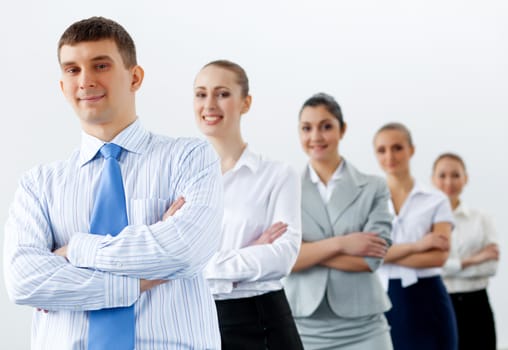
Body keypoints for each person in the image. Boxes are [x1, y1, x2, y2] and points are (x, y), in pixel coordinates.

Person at [3, 17, 223, 350]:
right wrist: (141, 280)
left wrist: (74, 251)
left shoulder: (189, 158)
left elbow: (186, 250)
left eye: (100, 65)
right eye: (72, 70)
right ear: (62, 85)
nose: (86, 81)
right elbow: (25, 281)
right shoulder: (38, 185)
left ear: (135, 77)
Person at [193, 60, 304, 349]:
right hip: (195, 318)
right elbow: (166, 259)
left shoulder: (278, 175)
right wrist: (249, 254)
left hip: (261, 320)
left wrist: (201, 264)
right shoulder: (181, 181)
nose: (209, 104)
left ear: (246, 102)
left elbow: (283, 256)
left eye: (222, 93)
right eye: (201, 94)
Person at [283, 93, 393, 350]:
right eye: (306, 128)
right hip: (303, 325)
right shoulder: (286, 189)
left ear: (342, 129)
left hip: (365, 326)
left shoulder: (373, 187)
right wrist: (344, 243)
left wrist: (306, 251)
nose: (316, 137)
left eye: (326, 126)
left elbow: (371, 259)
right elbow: (284, 259)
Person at [373, 122, 458, 350]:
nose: (390, 156)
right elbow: (366, 255)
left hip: (427, 297)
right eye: (382, 150)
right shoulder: (370, 201)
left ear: (411, 149)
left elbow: (438, 258)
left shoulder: (436, 199)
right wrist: (420, 245)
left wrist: (385, 253)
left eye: (397, 148)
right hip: (383, 298)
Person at [432, 153, 498, 350]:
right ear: (433, 179)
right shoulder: (426, 221)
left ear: (465, 178)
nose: (449, 181)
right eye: (442, 175)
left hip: (476, 302)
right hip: (441, 301)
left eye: (455, 175)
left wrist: (447, 265)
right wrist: (474, 259)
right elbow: (431, 266)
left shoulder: (481, 218)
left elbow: (491, 266)